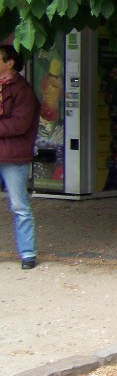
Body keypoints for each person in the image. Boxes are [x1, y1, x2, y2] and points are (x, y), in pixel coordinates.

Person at [0, 45, 40, 270]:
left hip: (15, 157)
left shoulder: (23, 90)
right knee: (19, 206)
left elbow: (20, 124)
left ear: (9, 63)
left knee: (19, 206)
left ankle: (27, 254)